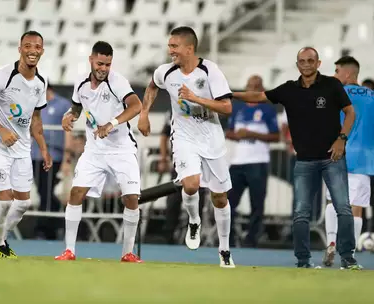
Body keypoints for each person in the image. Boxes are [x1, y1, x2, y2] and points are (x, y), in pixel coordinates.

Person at [233, 47, 361, 270]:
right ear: (297, 64)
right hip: (304, 160)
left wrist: (342, 139)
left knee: (343, 208)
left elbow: (350, 112)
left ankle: (348, 258)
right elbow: (259, 96)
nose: (307, 64)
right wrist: (229, 94)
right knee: (301, 212)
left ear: (318, 63)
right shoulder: (288, 89)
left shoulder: (332, 85)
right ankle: (303, 260)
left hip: (333, 158)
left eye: (311, 60)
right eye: (302, 61)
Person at [137, 26, 235, 268]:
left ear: (189, 49)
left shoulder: (210, 71)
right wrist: (144, 113)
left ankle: (224, 250)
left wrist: (196, 97)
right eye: (169, 46)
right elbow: (151, 86)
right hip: (184, 137)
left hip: (211, 138)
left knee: (220, 198)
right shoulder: (166, 72)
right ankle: (194, 221)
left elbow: (226, 108)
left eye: (174, 46)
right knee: (190, 184)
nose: (170, 51)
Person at [55, 41, 143, 262]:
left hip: (122, 149)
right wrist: (70, 115)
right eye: (100, 63)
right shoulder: (81, 83)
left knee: (131, 198)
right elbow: (77, 106)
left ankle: (128, 253)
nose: (104, 68)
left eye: (108, 64)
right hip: (94, 150)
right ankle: (69, 250)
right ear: (91, 60)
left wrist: (111, 124)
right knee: (75, 194)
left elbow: (136, 106)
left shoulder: (118, 82)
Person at [0, 31, 53, 258]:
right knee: (6, 200)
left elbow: (36, 119)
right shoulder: (1, 76)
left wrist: (44, 149)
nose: (32, 50)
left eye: (37, 47)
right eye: (27, 46)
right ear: (20, 49)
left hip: (22, 148)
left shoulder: (41, 81)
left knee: (23, 203)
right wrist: (1, 130)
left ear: (42, 51)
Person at [323, 56, 374, 266]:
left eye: (337, 71)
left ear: (348, 73)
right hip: (364, 159)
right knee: (356, 207)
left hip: (337, 154)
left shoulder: (336, 95)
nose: (334, 75)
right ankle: (349, 255)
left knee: (332, 202)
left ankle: (331, 241)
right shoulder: (372, 96)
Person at [226, 75, 280, 247]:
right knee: (228, 203)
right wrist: (238, 135)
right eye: (250, 85)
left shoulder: (268, 109)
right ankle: (230, 238)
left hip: (258, 161)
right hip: (238, 162)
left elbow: (275, 136)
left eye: (257, 86)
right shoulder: (238, 108)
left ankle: (252, 240)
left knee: (257, 204)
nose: (253, 89)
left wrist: (252, 134)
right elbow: (229, 132)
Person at [158, 111, 208, 244]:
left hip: (200, 161)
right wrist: (163, 158)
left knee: (198, 198)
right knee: (174, 198)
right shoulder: (174, 109)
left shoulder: (203, 107)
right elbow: (164, 135)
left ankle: (193, 233)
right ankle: (168, 234)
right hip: (180, 160)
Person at [31, 83, 71, 240]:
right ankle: (50, 227)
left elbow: (68, 131)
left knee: (50, 193)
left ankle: (45, 228)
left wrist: (67, 158)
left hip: (55, 156)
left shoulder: (63, 105)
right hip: (35, 155)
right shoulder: (34, 104)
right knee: (43, 192)